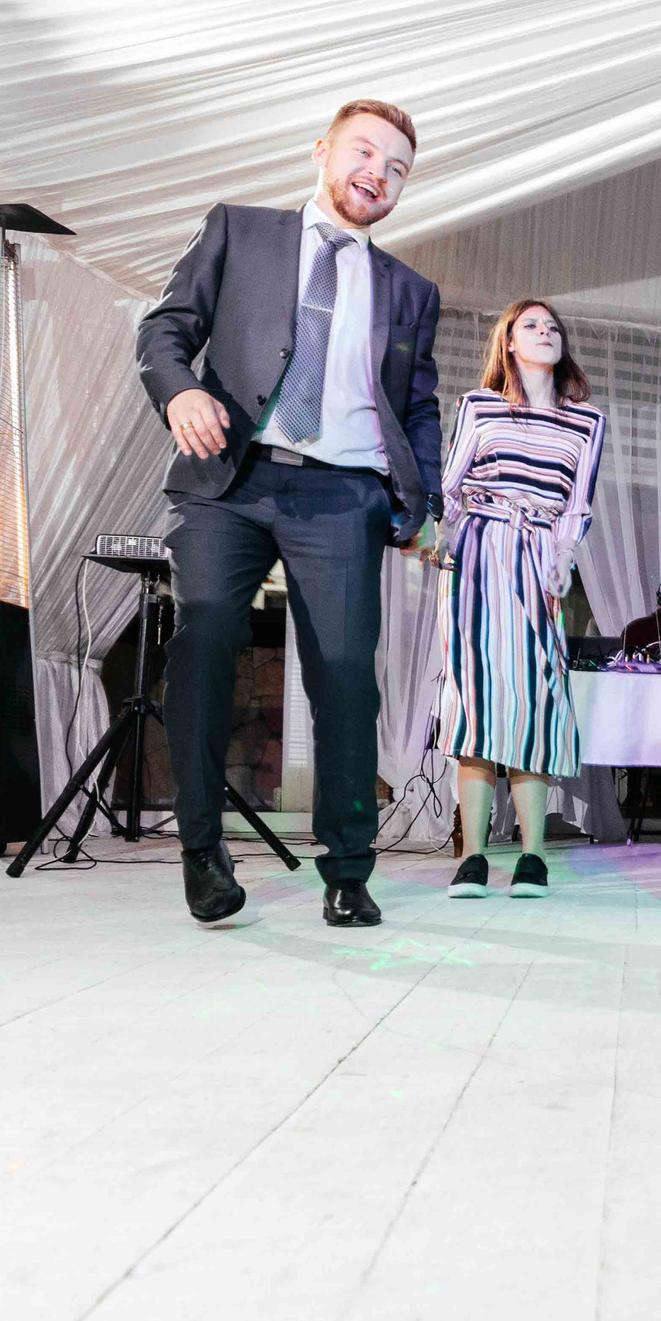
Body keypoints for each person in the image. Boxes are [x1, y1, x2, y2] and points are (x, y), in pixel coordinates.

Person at [137, 99, 442, 929]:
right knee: (202, 643)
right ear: (322, 153)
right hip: (229, 478)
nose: (379, 173)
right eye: (365, 152)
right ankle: (203, 853)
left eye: (398, 168)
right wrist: (183, 391)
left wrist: (424, 504)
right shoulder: (239, 231)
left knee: (346, 679)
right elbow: (164, 331)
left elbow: (418, 410)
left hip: (342, 494)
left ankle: (348, 868)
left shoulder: (411, 292)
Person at [439, 299, 605, 900]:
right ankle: (474, 856)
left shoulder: (587, 423)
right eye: (531, 325)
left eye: (554, 327)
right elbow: (452, 485)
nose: (545, 333)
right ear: (507, 341)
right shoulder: (477, 407)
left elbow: (579, 505)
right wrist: (438, 537)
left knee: (534, 695)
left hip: (540, 559)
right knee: (478, 694)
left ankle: (533, 854)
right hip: (479, 551)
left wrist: (562, 559)